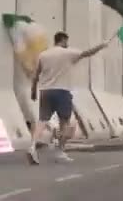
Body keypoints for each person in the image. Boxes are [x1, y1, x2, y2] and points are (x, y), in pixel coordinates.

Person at [27, 31, 112, 164]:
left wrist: (33, 91)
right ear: (62, 40)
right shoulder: (67, 53)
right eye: (66, 41)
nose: (68, 44)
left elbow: (36, 75)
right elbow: (87, 53)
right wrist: (102, 45)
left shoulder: (43, 55)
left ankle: (32, 146)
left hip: (45, 91)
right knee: (65, 122)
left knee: (42, 120)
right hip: (62, 91)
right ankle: (60, 151)